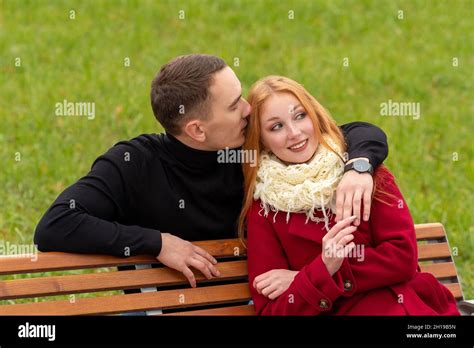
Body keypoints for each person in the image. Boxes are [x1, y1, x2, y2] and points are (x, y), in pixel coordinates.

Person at [34, 54, 389, 292]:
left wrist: (359, 166)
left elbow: (355, 132)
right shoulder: (134, 164)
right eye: (235, 105)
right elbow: (55, 225)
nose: (250, 108)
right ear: (197, 130)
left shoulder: (251, 147)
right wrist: (157, 242)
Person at [240, 75, 460, 315]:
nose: (293, 132)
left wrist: (318, 274)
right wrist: (322, 269)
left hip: (409, 308)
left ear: (314, 114)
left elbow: (402, 258)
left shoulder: (362, 170)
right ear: (261, 140)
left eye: (300, 115)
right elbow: (272, 311)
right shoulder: (264, 208)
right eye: (276, 126)